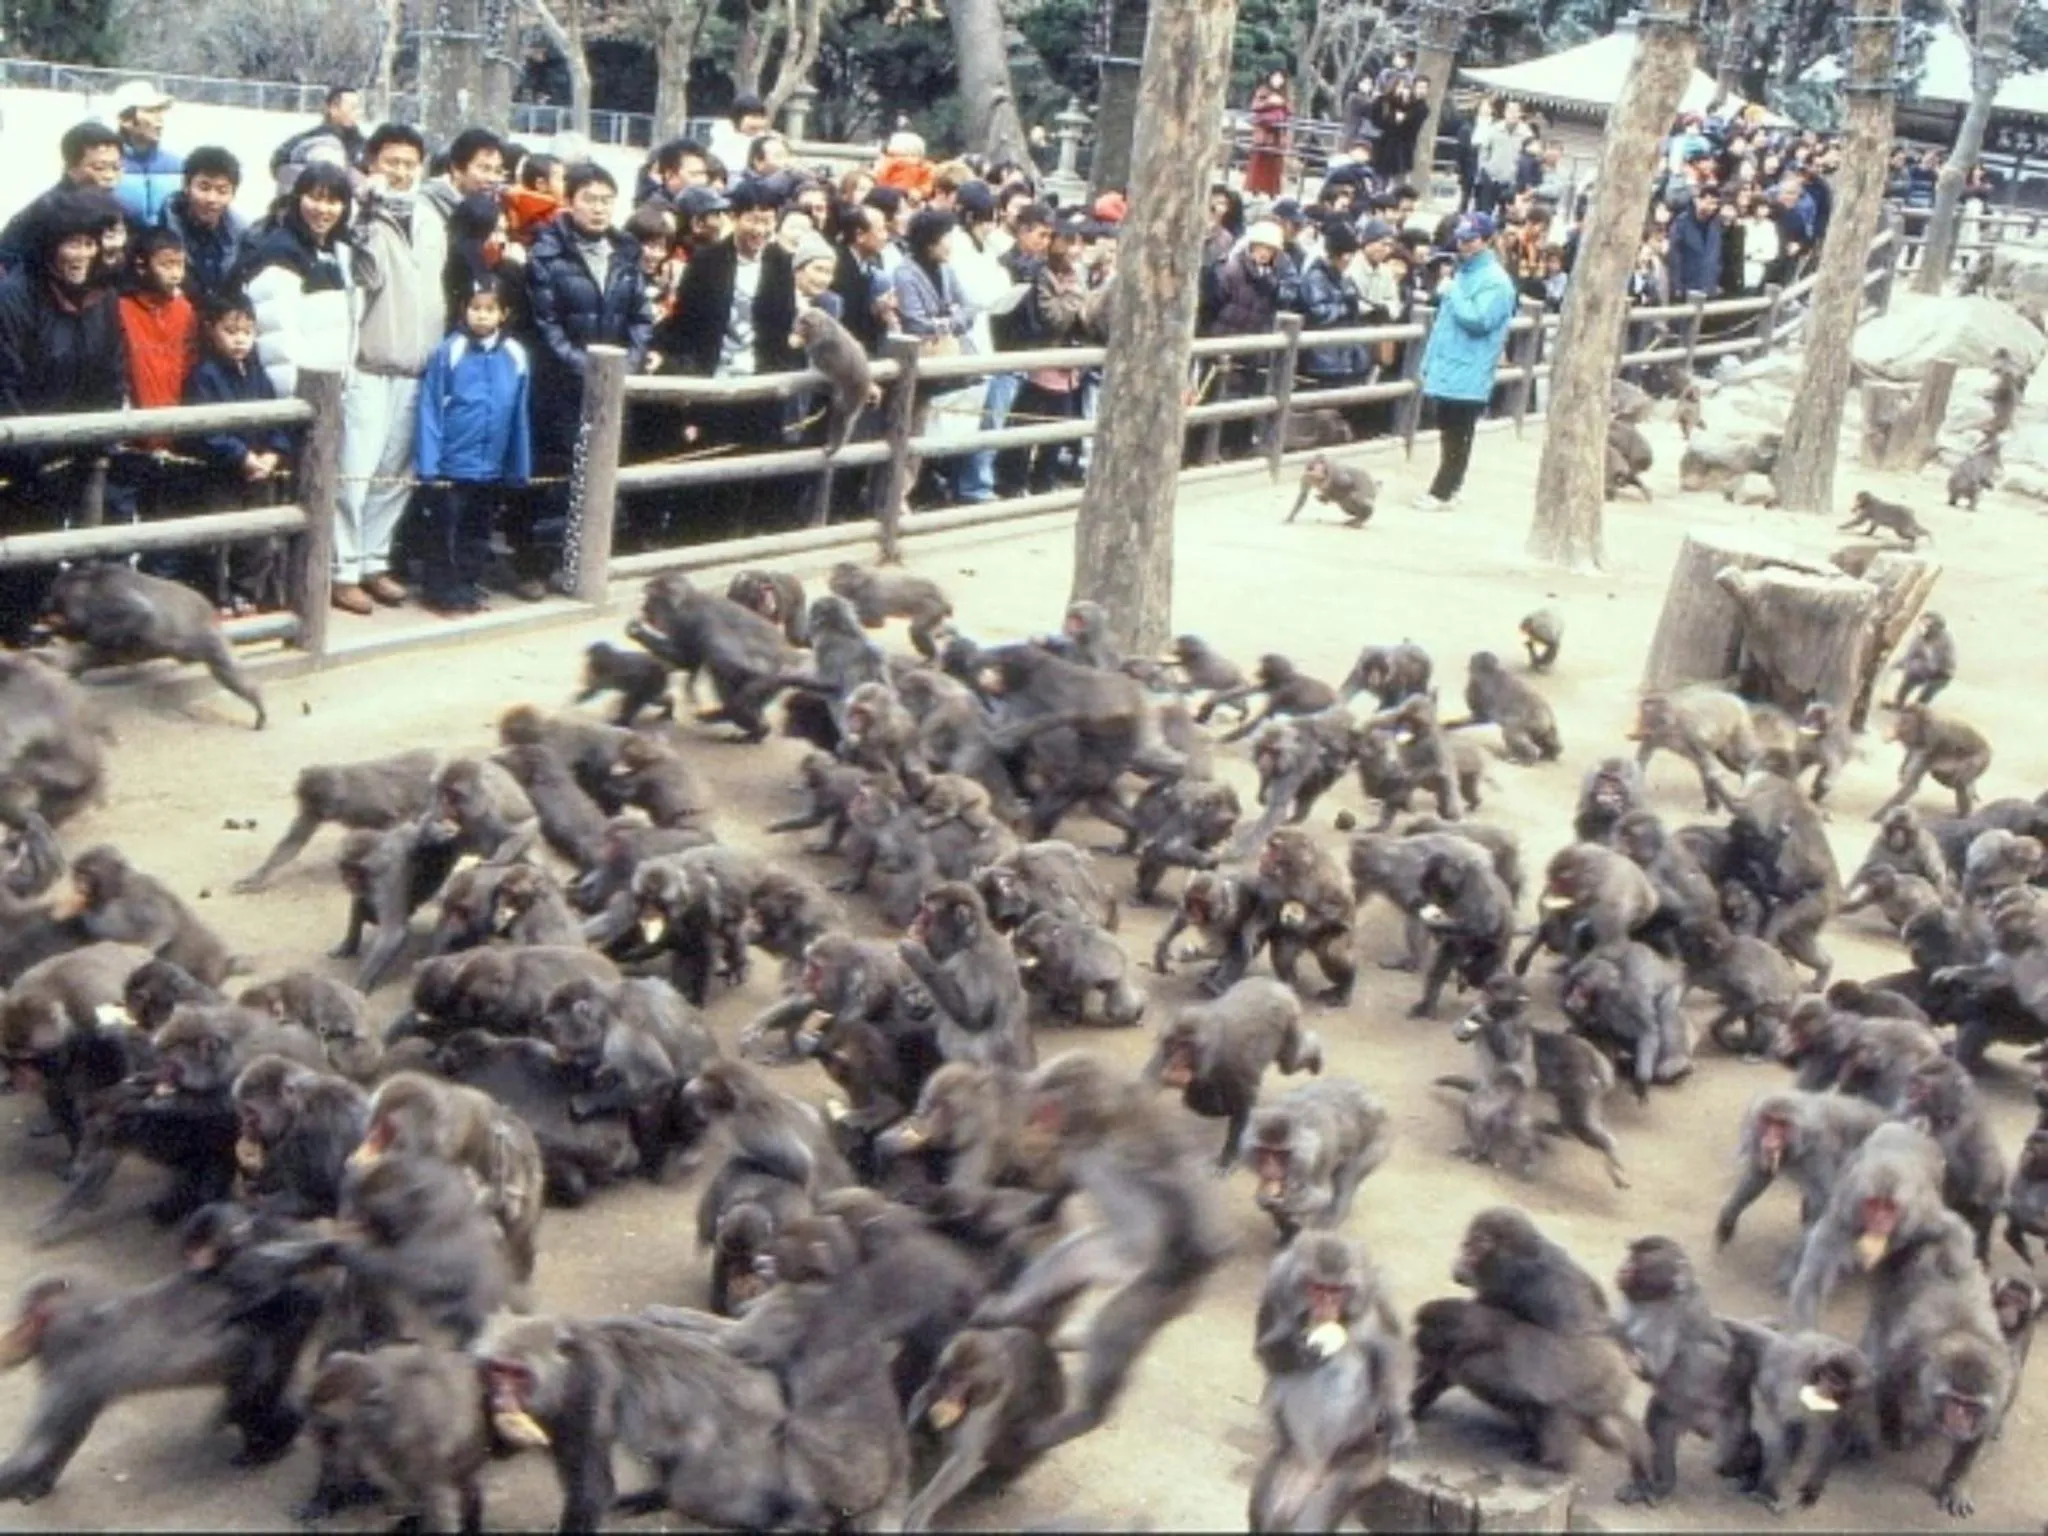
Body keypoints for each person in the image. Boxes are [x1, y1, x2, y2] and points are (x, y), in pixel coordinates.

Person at [0, 190, 129, 639]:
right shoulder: (15, 297)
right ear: (49, 245)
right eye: (71, 243)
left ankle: (37, 621)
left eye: (89, 243)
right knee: (21, 537)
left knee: (68, 543)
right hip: (23, 452)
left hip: (77, 447)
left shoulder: (103, 299)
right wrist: (33, 453)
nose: (81, 255)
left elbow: (112, 372)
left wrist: (96, 439)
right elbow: (5, 380)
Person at [331, 122, 448, 615]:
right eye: (391, 161)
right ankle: (342, 569)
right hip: (369, 362)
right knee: (354, 472)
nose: (400, 171)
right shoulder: (359, 215)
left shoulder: (431, 217)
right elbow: (363, 275)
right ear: (371, 163)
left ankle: (373, 560)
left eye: (409, 163)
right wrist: (366, 209)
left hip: (417, 365)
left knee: (395, 474)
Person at [526, 163, 653, 563]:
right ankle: (542, 562)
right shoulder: (546, 253)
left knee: (601, 471)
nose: (599, 209)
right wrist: (589, 368)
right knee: (557, 472)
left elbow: (641, 317)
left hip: (612, 383)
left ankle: (588, 560)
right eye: (590, 199)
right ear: (569, 201)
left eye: (607, 201)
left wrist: (625, 366)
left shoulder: (626, 252)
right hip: (561, 385)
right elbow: (546, 325)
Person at [415, 275, 533, 615]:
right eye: (475, 308)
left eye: (490, 309)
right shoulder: (449, 351)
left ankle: (467, 585)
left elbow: (518, 415)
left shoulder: (515, 355)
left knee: (478, 528)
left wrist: (518, 465)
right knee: (445, 527)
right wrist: (429, 463)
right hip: (452, 461)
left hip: (490, 463)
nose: (482, 315)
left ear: (503, 314)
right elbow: (430, 408)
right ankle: (439, 591)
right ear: (463, 309)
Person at [184, 292, 294, 612]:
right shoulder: (203, 375)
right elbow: (205, 428)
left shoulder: (259, 375)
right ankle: (215, 597)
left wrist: (273, 453)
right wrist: (241, 456)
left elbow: (276, 419)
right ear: (211, 330)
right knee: (219, 538)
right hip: (221, 472)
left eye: (247, 332)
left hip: (258, 469)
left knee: (258, 536)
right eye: (230, 332)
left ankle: (246, 592)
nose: (239, 340)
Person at [1414, 212, 1515, 511]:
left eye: (1471, 240)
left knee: (1458, 431)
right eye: (1462, 240)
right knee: (1451, 429)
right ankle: (1451, 486)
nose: (1464, 245)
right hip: (1452, 362)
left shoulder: (1496, 281)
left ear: (1487, 241)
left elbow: (1479, 320)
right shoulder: (1465, 273)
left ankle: (1443, 491)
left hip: (1470, 365)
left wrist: (1453, 291)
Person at [0, 121, 123, 274]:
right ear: (71, 167)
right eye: (99, 168)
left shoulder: (118, 207)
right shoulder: (46, 211)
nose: (110, 176)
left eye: (116, 167)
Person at [159, 146, 246, 302]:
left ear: (233, 194)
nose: (212, 199)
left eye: (222, 191)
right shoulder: (163, 229)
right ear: (186, 187)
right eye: (204, 188)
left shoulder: (241, 235)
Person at [108, 80, 183, 227]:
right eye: (151, 111)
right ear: (126, 120)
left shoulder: (177, 166)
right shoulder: (106, 166)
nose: (159, 118)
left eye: (160, 111)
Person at [270, 86, 366, 200]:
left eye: (359, 108)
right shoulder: (307, 142)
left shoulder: (364, 145)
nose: (360, 112)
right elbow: (279, 165)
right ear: (333, 109)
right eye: (354, 108)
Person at [1666, 181, 1723, 299]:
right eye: (1709, 203)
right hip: (1687, 289)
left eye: (1716, 204)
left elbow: (1718, 256)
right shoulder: (1681, 224)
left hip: (1710, 289)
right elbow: (1675, 258)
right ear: (1697, 201)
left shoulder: (1716, 225)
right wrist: (1677, 287)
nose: (1713, 207)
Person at [1245, 71, 1291, 198]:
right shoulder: (1263, 90)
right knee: (1259, 163)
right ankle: (1255, 189)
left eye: (1280, 78)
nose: (1277, 80)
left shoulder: (1285, 94)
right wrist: (1270, 102)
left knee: (1274, 166)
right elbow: (1255, 106)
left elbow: (1290, 111)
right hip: (1264, 132)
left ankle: (1272, 191)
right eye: (1275, 77)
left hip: (1278, 134)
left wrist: (1282, 103)